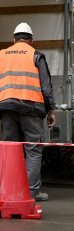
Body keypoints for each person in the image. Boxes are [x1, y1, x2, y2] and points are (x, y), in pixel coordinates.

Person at [0, 22, 56, 201]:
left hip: (7, 108)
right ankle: (31, 194)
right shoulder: (36, 55)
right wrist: (50, 110)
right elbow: (46, 87)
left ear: (13, 39)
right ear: (31, 41)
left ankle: (9, 192)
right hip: (31, 108)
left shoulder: (1, 55)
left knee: (11, 150)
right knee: (33, 150)